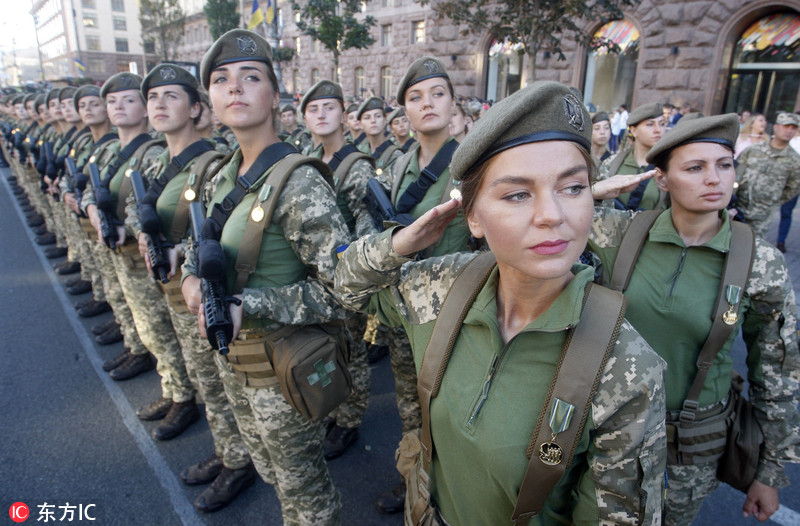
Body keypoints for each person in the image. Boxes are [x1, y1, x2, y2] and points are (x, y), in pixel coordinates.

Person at [334, 80, 666, 525]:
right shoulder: (442, 285)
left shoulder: (623, 365)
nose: (552, 214)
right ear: (472, 216)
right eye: (517, 194)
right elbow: (349, 287)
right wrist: (398, 244)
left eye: (573, 188)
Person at [588, 113, 800, 525]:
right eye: (695, 168)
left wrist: (769, 473)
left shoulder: (759, 262)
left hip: (688, 452)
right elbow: (547, 217)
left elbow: (778, 375)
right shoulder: (621, 233)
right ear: (662, 179)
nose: (714, 179)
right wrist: (597, 190)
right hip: (608, 435)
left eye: (724, 165)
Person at [182, 28, 350, 525]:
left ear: (276, 98)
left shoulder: (297, 182)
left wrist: (249, 306)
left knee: (307, 493)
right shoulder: (223, 174)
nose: (234, 88)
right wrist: (192, 279)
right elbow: (204, 246)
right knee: (276, 477)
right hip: (237, 364)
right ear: (210, 99)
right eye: (221, 80)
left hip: (284, 369)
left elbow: (345, 292)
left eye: (250, 77)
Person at [133, 63, 256, 512]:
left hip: (214, 294)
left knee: (221, 381)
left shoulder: (212, 164)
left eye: (172, 96)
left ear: (196, 108)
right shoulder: (151, 159)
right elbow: (136, 206)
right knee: (207, 380)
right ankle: (229, 452)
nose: (160, 105)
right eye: (154, 97)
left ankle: (237, 461)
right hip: (176, 287)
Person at [368, 55, 473, 514]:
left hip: (456, 317)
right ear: (403, 113)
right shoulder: (394, 165)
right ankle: (415, 480)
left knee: (455, 411)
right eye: (414, 97)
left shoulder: (472, 165)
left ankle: (456, 496)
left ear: (454, 105)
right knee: (411, 405)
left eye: (437, 94)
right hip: (401, 313)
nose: (426, 103)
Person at [300, 79, 376, 460]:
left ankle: (350, 418)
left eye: (329, 108)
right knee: (326, 348)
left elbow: (366, 218)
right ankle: (334, 407)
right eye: (313, 109)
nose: (321, 115)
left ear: (345, 116)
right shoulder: (307, 159)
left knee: (351, 350)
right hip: (313, 276)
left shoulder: (356, 164)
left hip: (344, 273)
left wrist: (354, 270)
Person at [733, 112, 800, 238]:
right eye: (786, 126)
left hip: (762, 215)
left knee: (752, 249)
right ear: (776, 127)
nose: (789, 131)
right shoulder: (753, 150)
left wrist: (771, 201)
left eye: (793, 128)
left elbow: (793, 188)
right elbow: (736, 173)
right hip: (738, 208)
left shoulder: (795, 160)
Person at [597, 102, 666, 211]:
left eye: (662, 124)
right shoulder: (612, 163)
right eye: (650, 124)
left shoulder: (668, 167)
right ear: (633, 131)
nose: (658, 130)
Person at [356, 96, 402, 169]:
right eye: (367, 117)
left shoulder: (395, 155)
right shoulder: (359, 151)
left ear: (384, 120)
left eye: (378, 116)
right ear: (360, 124)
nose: (373, 120)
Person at [776, 124, 800, 252]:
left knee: (786, 213)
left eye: (794, 127)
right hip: (778, 182)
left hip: (793, 184)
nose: (790, 130)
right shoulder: (788, 140)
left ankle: (781, 241)